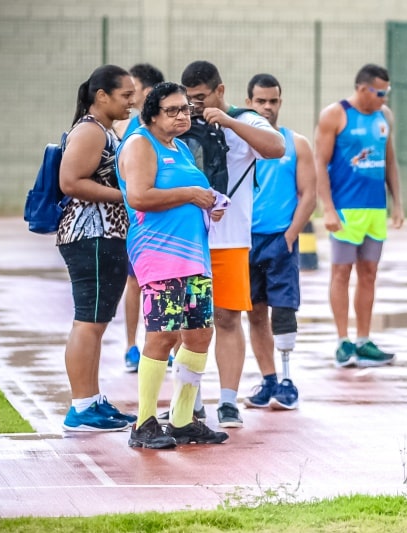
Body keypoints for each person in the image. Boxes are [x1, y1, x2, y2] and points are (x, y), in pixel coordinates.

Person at [116, 81, 230, 449]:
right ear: (151, 114)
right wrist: (190, 194)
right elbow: (138, 196)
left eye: (185, 109)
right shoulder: (139, 144)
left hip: (193, 255)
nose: (183, 116)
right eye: (173, 110)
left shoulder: (178, 147)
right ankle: (144, 422)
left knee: (199, 334)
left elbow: (189, 194)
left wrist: (209, 202)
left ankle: (182, 420)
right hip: (159, 255)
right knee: (162, 336)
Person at [181, 61, 285, 428]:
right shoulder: (179, 120)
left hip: (230, 240)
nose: (194, 105)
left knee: (227, 317)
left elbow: (276, 147)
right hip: (186, 238)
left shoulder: (247, 120)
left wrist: (227, 122)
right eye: (189, 98)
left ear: (220, 91)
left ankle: (227, 401)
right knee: (187, 320)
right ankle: (188, 400)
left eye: (201, 97)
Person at [57, 65, 138, 432]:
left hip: (104, 235)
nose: (132, 102)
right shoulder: (91, 131)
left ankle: (91, 399)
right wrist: (127, 196)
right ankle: (81, 407)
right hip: (91, 235)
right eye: (125, 95)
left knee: (96, 322)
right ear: (101, 95)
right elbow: (71, 182)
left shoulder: (102, 130)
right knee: (88, 322)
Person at [314, 63, 404, 368]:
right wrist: (326, 207)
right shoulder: (335, 115)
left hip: (375, 209)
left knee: (369, 274)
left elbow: (390, 162)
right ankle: (343, 341)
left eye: (387, 93)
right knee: (341, 273)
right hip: (345, 209)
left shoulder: (384, 117)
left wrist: (398, 204)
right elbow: (319, 164)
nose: (384, 98)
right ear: (363, 88)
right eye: (380, 92)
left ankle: (364, 340)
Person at [242, 73, 317, 411]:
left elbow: (309, 196)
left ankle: (287, 380)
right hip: (243, 242)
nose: (267, 107)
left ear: (280, 103)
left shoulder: (295, 143)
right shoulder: (237, 144)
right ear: (249, 103)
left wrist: (289, 237)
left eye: (273, 101)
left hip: (280, 241)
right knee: (254, 312)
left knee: (283, 311)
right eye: (261, 101)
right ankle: (268, 378)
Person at [114, 63, 166, 372]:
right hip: (137, 217)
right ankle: (131, 346)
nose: (130, 97)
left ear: (147, 91)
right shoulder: (128, 126)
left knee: (161, 283)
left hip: (163, 216)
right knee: (134, 281)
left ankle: (158, 342)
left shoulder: (162, 126)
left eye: (134, 89)